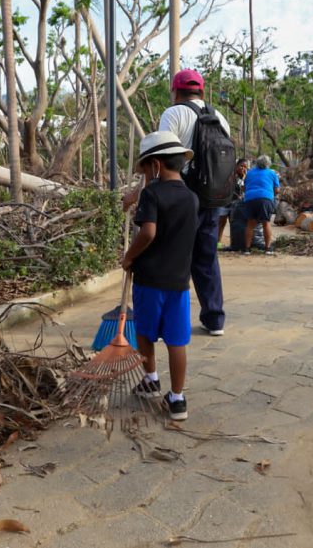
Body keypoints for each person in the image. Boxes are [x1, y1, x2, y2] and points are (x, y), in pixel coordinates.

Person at [123, 131, 199, 421]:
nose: (144, 175)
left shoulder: (152, 194)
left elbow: (149, 232)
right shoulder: (192, 199)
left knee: (145, 333)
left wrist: (129, 256)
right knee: (176, 341)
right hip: (179, 282)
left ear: (154, 165)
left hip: (150, 280)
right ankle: (177, 399)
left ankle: (151, 379)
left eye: (144, 169)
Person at [153, 68, 232, 336]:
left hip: (181, 197)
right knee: (206, 258)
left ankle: (170, 322)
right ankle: (214, 320)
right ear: (202, 90)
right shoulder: (219, 117)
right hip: (213, 199)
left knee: (174, 258)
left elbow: (163, 158)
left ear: (176, 91)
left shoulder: (173, 113)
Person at [242, 154, 281, 255]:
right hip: (265, 198)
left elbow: (244, 187)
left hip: (250, 198)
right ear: (268, 164)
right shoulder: (272, 174)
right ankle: (267, 248)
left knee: (250, 224)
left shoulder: (249, 173)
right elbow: (277, 190)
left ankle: (247, 249)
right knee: (266, 223)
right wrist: (270, 193)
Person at [216, 158, 249, 247]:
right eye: (241, 166)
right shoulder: (230, 174)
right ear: (236, 166)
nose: (243, 168)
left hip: (236, 204)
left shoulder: (246, 177)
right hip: (225, 201)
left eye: (245, 167)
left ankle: (234, 243)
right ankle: (218, 242)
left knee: (234, 223)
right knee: (221, 222)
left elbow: (244, 189)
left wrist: (244, 177)